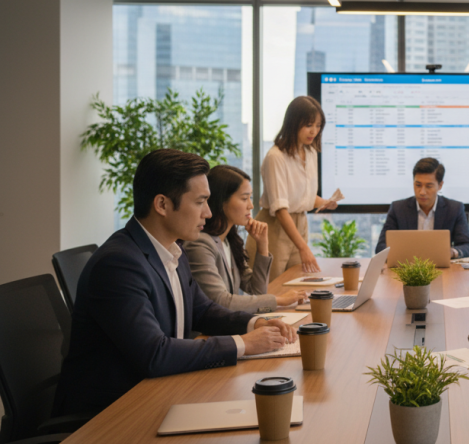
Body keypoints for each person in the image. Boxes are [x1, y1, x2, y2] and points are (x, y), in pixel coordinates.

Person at [53, 149, 298, 416]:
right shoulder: (119, 265)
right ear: (162, 205)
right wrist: (244, 343)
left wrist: (255, 323)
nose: (208, 212)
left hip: (160, 392)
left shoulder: (173, 250)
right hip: (111, 414)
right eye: (200, 202)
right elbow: (154, 354)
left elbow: (202, 310)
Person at [183, 165, 308, 314]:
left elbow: (257, 291)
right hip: (207, 334)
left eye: (250, 197)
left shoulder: (229, 241)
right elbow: (221, 302)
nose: (251, 205)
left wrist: (262, 245)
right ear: (222, 201)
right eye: (244, 198)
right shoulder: (200, 243)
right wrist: (279, 300)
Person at [249, 96, 338, 280]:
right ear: (293, 123)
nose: (314, 131)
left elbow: (304, 196)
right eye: (308, 125)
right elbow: (281, 209)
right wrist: (304, 248)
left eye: (318, 125)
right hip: (275, 227)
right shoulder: (276, 157)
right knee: (273, 291)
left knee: (297, 288)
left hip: (299, 225)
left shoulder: (310, 152)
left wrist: (325, 202)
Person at [374, 157, 469, 258]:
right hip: (407, 268)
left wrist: (452, 252)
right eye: (418, 185)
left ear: (440, 185)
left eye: (429, 186)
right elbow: (381, 247)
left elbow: (467, 246)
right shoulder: (398, 208)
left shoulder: (454, 209)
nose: (422, 192)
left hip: (442, 269)